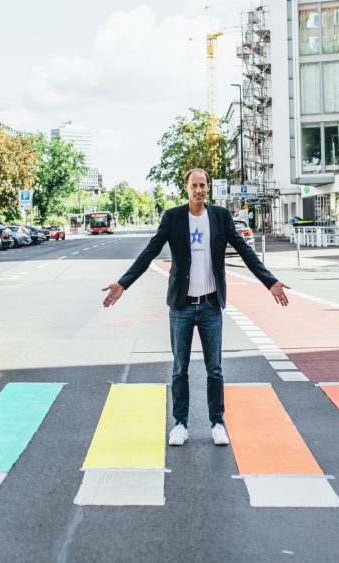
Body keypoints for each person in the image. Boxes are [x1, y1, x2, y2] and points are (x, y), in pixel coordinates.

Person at [102, 168, 290, 447]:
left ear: (208, 187)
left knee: (215, 369)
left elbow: (244, 250)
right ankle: (180, 424)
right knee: (180, 369)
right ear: (186, 188)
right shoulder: (173, 217)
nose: (199, 190)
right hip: (182, 307)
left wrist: (270, 281)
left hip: (211, 305)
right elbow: (150, 252)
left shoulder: (220, 216)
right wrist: (123, 283)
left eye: (203, 185)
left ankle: (217, 423)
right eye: (195, 186)